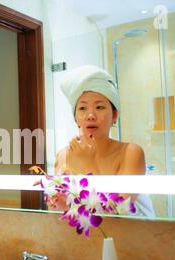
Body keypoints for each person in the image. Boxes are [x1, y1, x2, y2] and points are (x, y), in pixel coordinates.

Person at [52, 65, 155, 217]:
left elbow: (120, 210)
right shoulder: (63, 155)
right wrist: (59, 203)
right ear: (75, 117)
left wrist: (87, 161)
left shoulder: (131, 153)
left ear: (114, 115)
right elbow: (61, 210)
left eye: (99, 107)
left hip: (129, 236)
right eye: (82, 108)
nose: (90, 115)